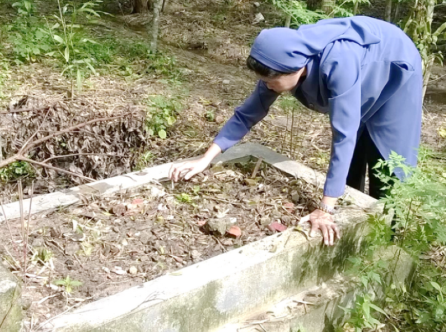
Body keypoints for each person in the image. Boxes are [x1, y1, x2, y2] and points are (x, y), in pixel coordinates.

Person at [169, 16, 423, 246]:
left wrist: (324, 209)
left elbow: (342, 134)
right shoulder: (280, 59)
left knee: (387, 160)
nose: (267, 86)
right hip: (362, 71)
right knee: (354, 158)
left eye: (271, 81)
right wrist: (205, 159)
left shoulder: (338, 63)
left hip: (393, 69)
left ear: (298, 69)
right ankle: (353, 223)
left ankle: (391, 238)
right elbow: (246, 114)